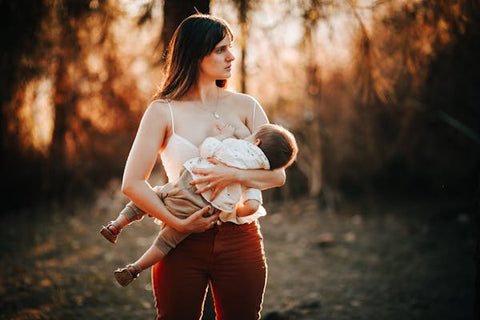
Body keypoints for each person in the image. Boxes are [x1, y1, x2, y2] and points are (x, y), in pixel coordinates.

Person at [119, 13, 290, 319]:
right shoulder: (162, 111)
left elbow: (277, 175)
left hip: (242, 239)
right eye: (221, 49)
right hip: (181, 242)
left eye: (231, 47)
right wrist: (179, 223)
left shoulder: (247, 105)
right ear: (197, 54)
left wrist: (233, 174)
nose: (231, 56)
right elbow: (132, 183)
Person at [101, 122, 297, 286]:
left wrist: (224, 135)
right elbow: (252, 207)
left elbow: (208, 148)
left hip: (185, 186)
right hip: (202, 212)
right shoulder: (257, 174)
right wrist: (231, 210)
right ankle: (135, 269)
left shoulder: (236, 146)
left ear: (256, 141)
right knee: (166, 242)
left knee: (151, 196)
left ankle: (116, 225)